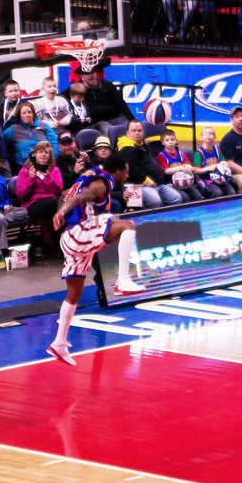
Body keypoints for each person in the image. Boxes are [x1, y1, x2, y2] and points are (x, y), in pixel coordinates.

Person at [47, 155, 145, 364]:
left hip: (70, 238)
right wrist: (62, 212)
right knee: (127, 226)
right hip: (78, 234)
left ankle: (59, 343)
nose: (126, 176)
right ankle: (122, 280)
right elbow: (81, 197)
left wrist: (61, 213)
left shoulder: (90, 174)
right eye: (126, 172)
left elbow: (65, 193)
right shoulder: (101, 184)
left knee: (74, 293)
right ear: (117, 171)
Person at [117, 120, 184, 207]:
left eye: (139, 130)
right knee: (155, 201)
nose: (137, 133)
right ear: (127, 133)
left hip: (158, 185)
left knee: (176, 198)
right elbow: (131, 169)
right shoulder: (126, 148)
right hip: (140, 185)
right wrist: (146, 181)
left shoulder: (141, 145)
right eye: (133, 131)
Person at [15, 141, 66, 255]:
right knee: (55, 205)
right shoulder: (25, 170)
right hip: (33, 204)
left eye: (46, 152)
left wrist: (48, 177)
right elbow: (21, 194)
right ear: (34, 155)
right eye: (40, 152)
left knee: (59, 206)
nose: (43, 154)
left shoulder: (54, 170)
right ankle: (61, 243)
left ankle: (57, 245)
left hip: (52, 204)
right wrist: (30, 178)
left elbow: (59, 191)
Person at [3, 101, 60, 169]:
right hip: (23, 166)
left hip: (45, 165)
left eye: (29, 112)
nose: (27, 115)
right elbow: (1, 141)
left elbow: (55, 145)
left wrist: (50, 162)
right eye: (24, 113)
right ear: (19, 115)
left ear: (33, 114)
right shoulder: (13, 129)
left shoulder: (44, 126)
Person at [77, 61, 134, 127]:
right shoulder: (78, 89)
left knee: (130, 127)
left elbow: (121, 103)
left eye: (93, 72)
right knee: (108, 130)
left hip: (117, 117)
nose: (91, 75)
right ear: (82, 76)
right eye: (87, 73)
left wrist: (132, 120)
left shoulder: (107, 85)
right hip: (99, 122)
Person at [191, 126, 236, 197]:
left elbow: (223, 162)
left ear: (215, 137)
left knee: (231, 192)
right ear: (201, 137)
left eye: (210, 133)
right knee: (218, 193)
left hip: (220, 178)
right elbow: (196, 171)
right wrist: (207, 169)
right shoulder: (199, 153)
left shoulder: (217, 149)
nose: (208, 135)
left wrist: (224, 163)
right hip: (205, 179)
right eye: (205, 134)